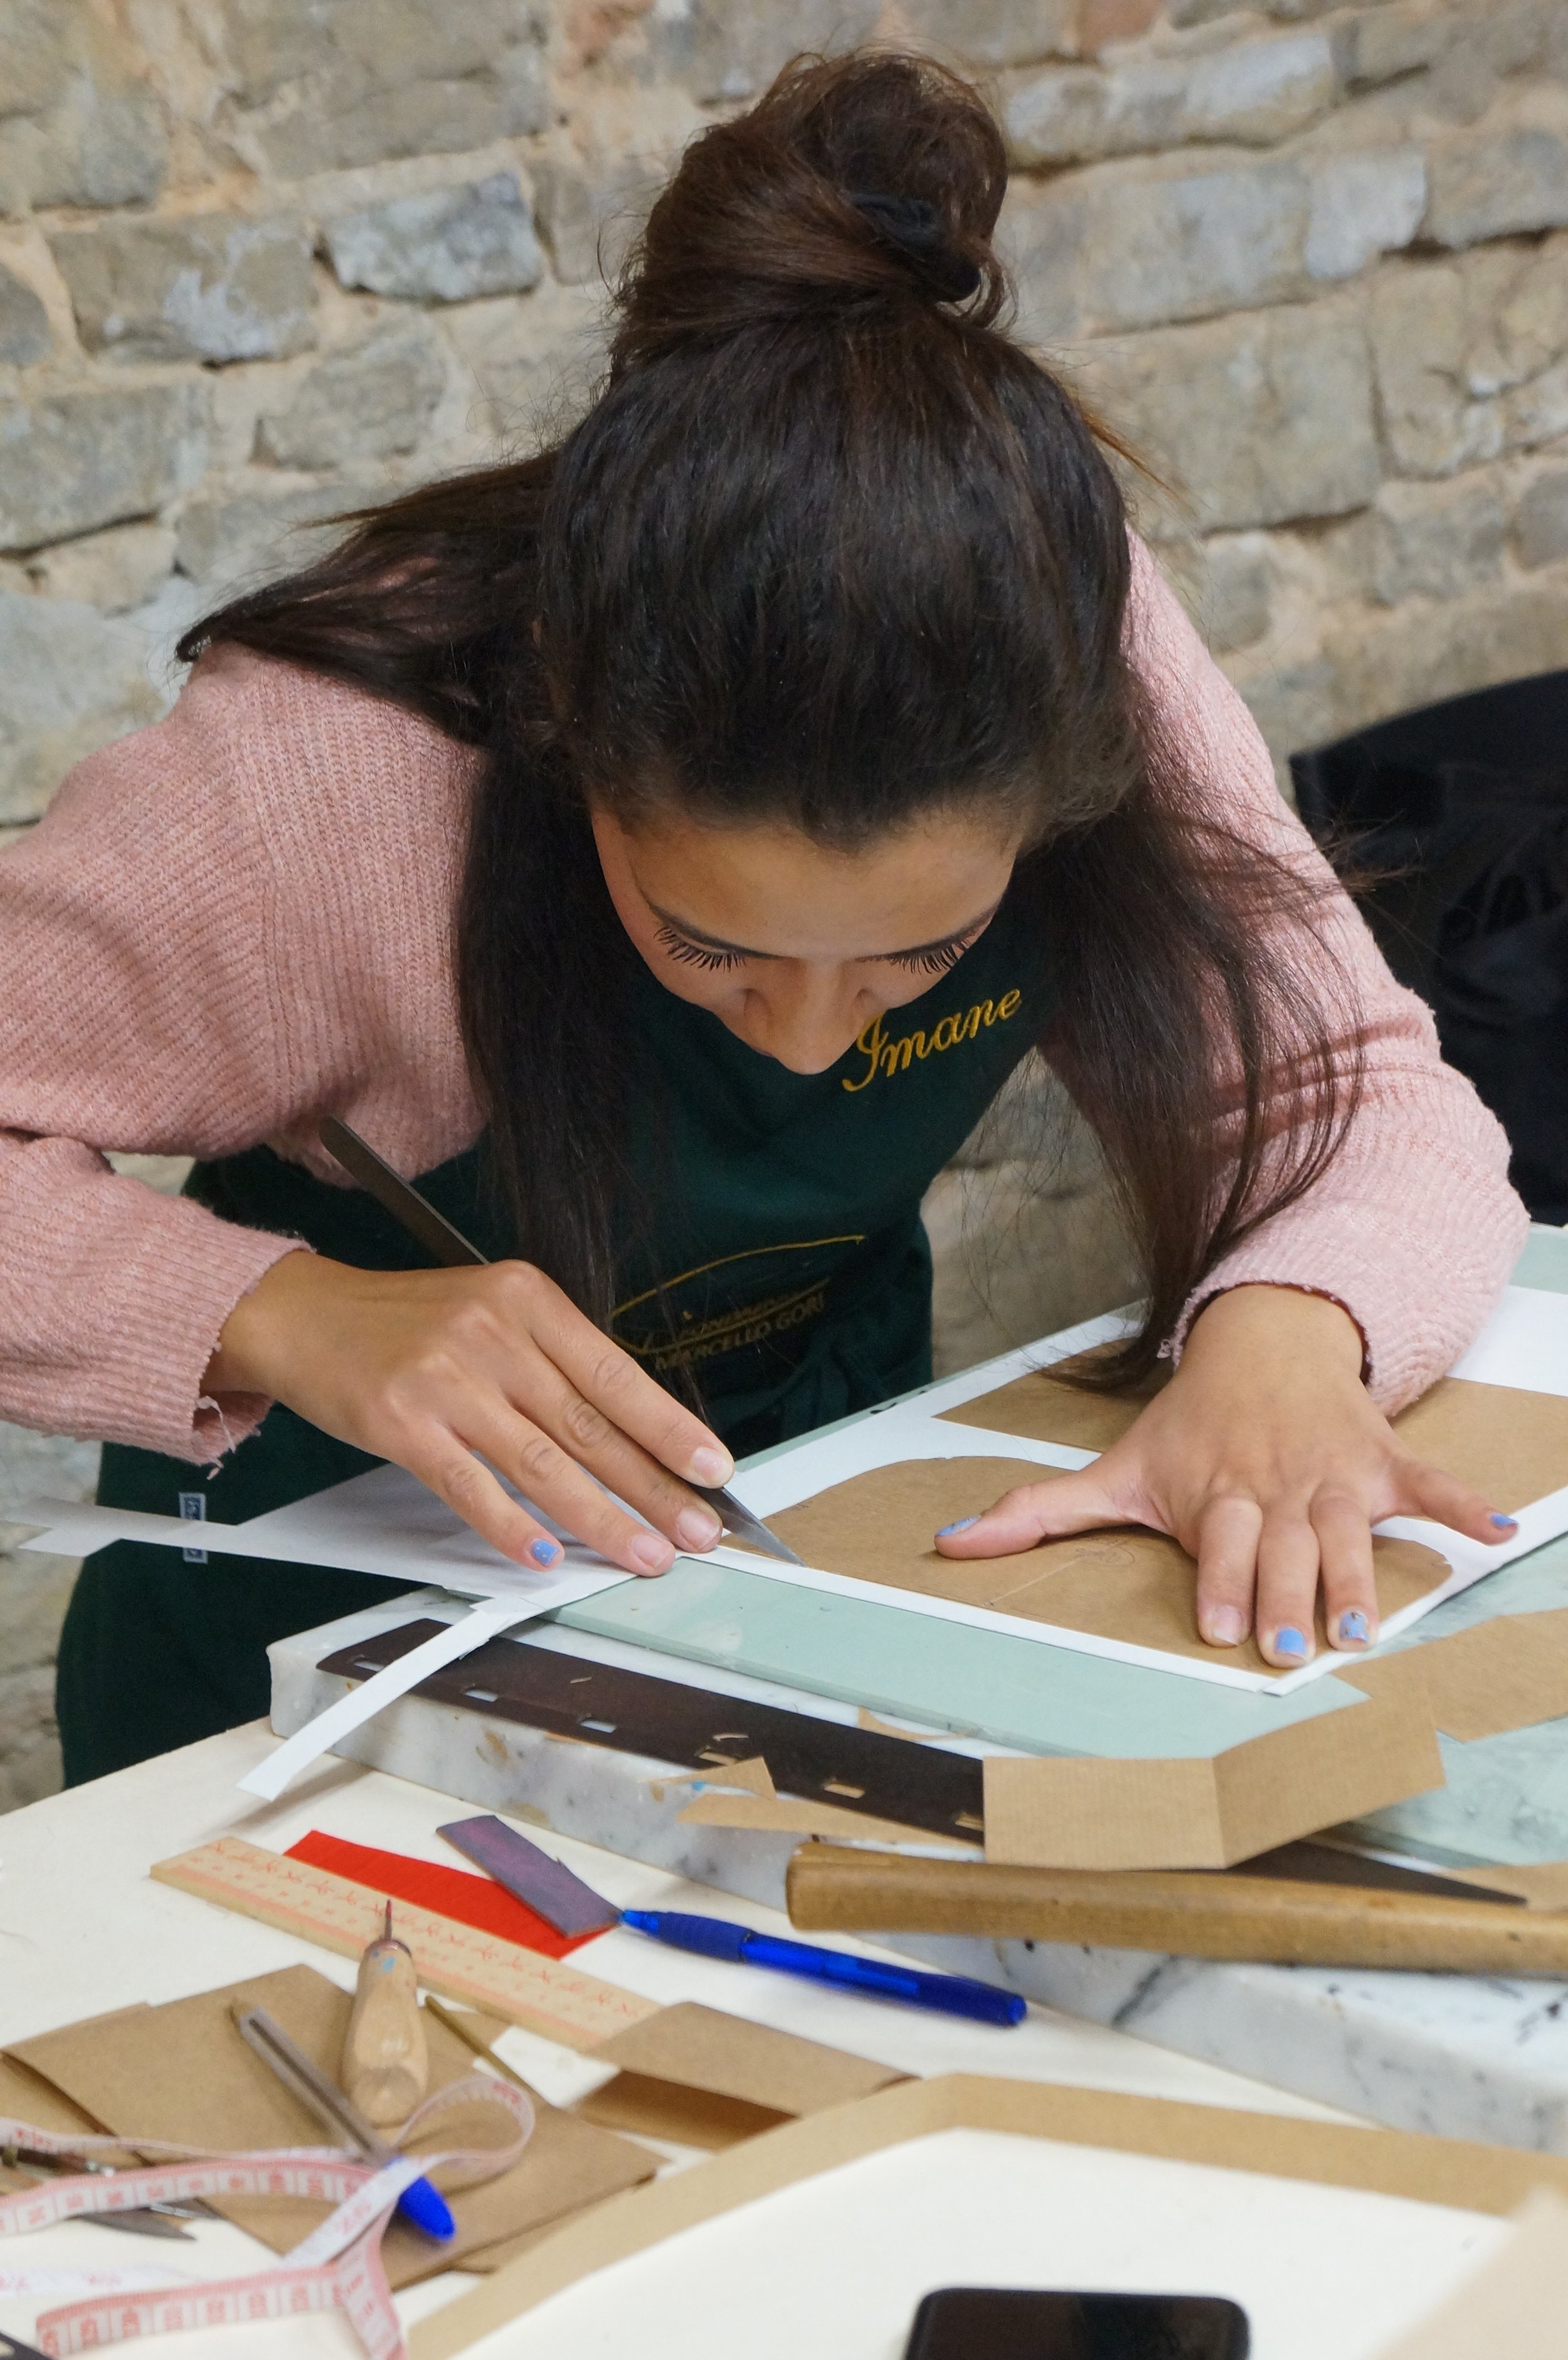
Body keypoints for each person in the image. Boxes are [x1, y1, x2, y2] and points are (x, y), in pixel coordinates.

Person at [0, 53, 1525, 1784]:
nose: (812, 1035)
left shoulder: (1049, 636)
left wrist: (1283, 1339)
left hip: (801, 1498)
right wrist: (287, 1313)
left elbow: (1361, 1088)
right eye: (712, 947)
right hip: (309, 1606)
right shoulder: (326, 782)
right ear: (573, 744)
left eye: (917, 960)